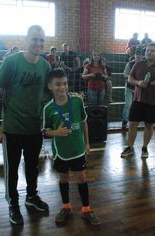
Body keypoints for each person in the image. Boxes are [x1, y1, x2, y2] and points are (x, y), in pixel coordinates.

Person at [0, 25, 50, 225]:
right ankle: (13, 203)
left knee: (33, 167)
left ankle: (31, 196)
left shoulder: (45, 66)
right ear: (26, 39)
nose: (38, 43)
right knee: (12, 169)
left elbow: (49, 93)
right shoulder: (11, 62)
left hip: (35, 128)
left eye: (41, 40)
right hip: (13, 128)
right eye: (35, 39)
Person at [42, 69, 100, 225]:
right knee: (64, 178)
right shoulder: (48, 108)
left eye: (65, 83)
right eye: (58, 84)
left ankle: (86, 209)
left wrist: (87, 143)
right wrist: (56, 132)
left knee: (81, 178)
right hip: (61, 152)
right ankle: (66, 206)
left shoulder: (77, 101)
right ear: (50, 86)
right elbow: (45, 133)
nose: (62, 87)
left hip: (77, 149)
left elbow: (84, 122)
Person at [121, 43, 155, 158]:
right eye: (148, 50)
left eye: (152, 51)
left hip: (153, 101)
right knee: (133, 124)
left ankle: (144, 148)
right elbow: (130, 78)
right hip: (138, 100)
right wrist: (138, 83)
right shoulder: (138, 64)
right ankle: (130, 147)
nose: (149, 52)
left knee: (149, 125)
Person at [121, 49, 143, 129]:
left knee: (137, 106)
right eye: (137, 54)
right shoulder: (130, 64)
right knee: (128, 105)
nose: (138, 56)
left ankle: (134, 121)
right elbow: (125, 75)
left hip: (139, 89)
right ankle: (124, 121)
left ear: (142, 55)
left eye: (140, 54)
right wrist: (133, 78)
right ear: (134, 55)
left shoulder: (144, 65)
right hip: (129, 88)